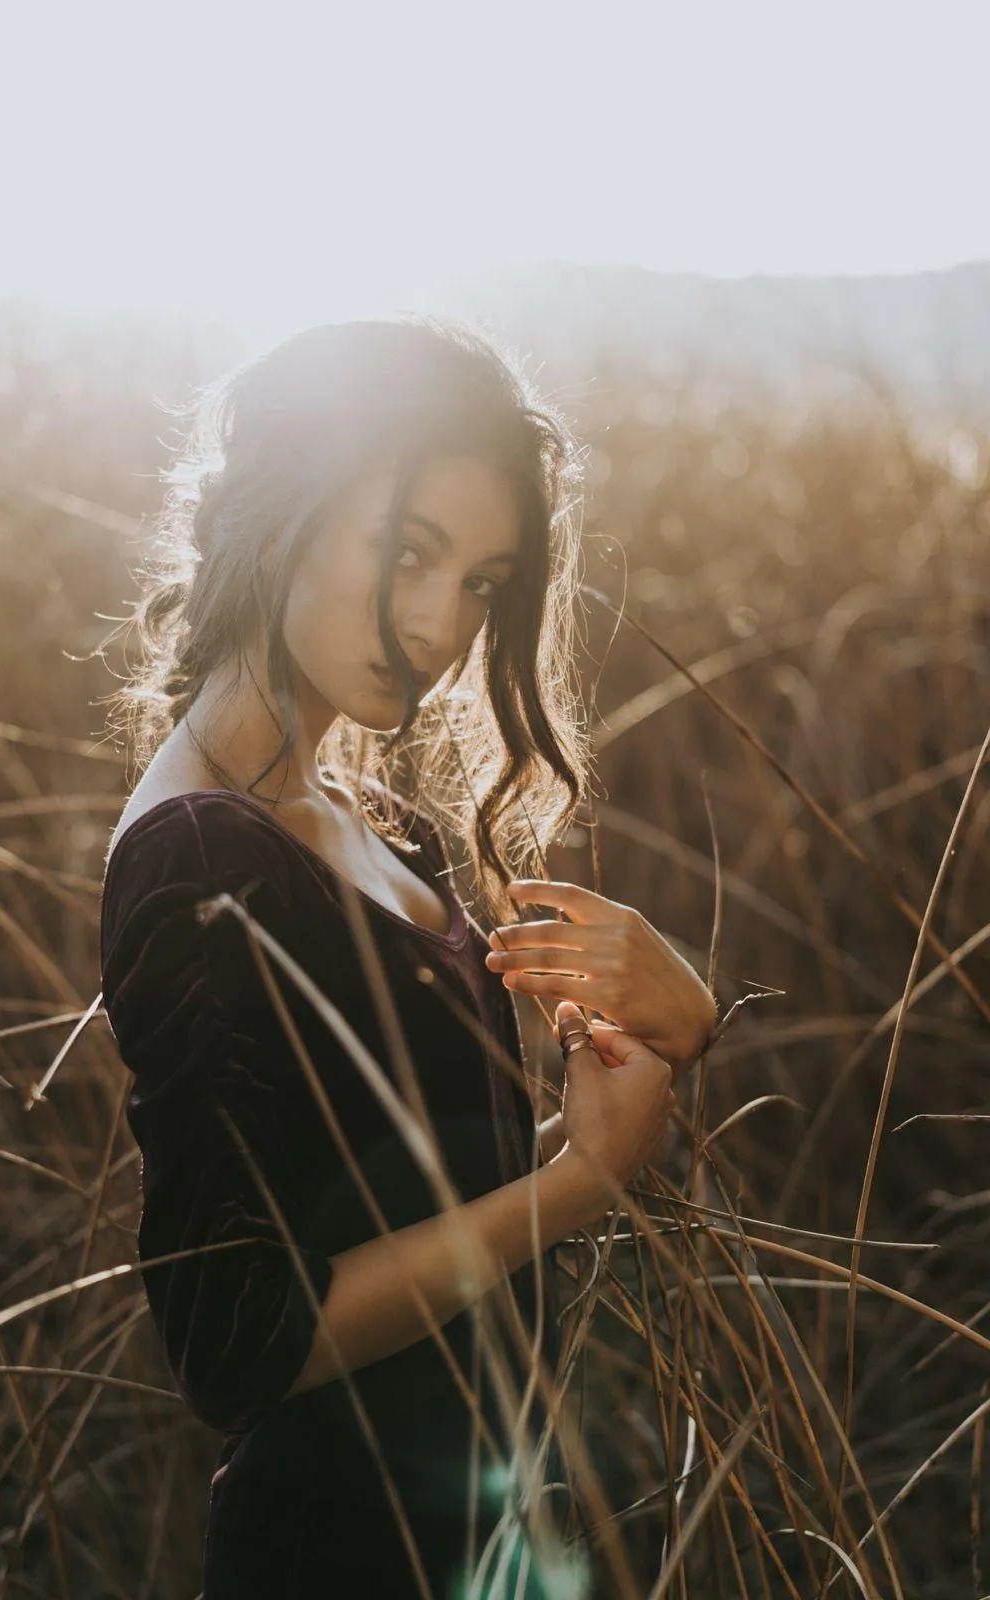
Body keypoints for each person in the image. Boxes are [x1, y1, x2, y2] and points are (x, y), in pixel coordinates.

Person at [97, 316, 688, 1598]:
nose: (437, 622)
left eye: (482, 579)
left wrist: (678, 1027)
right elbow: (241, 1342)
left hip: (471, 1535)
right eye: (405, 551)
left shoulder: (374, 820)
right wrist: (581, 1184)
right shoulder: (199, 855)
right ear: (288, 506)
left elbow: (414, 1221)